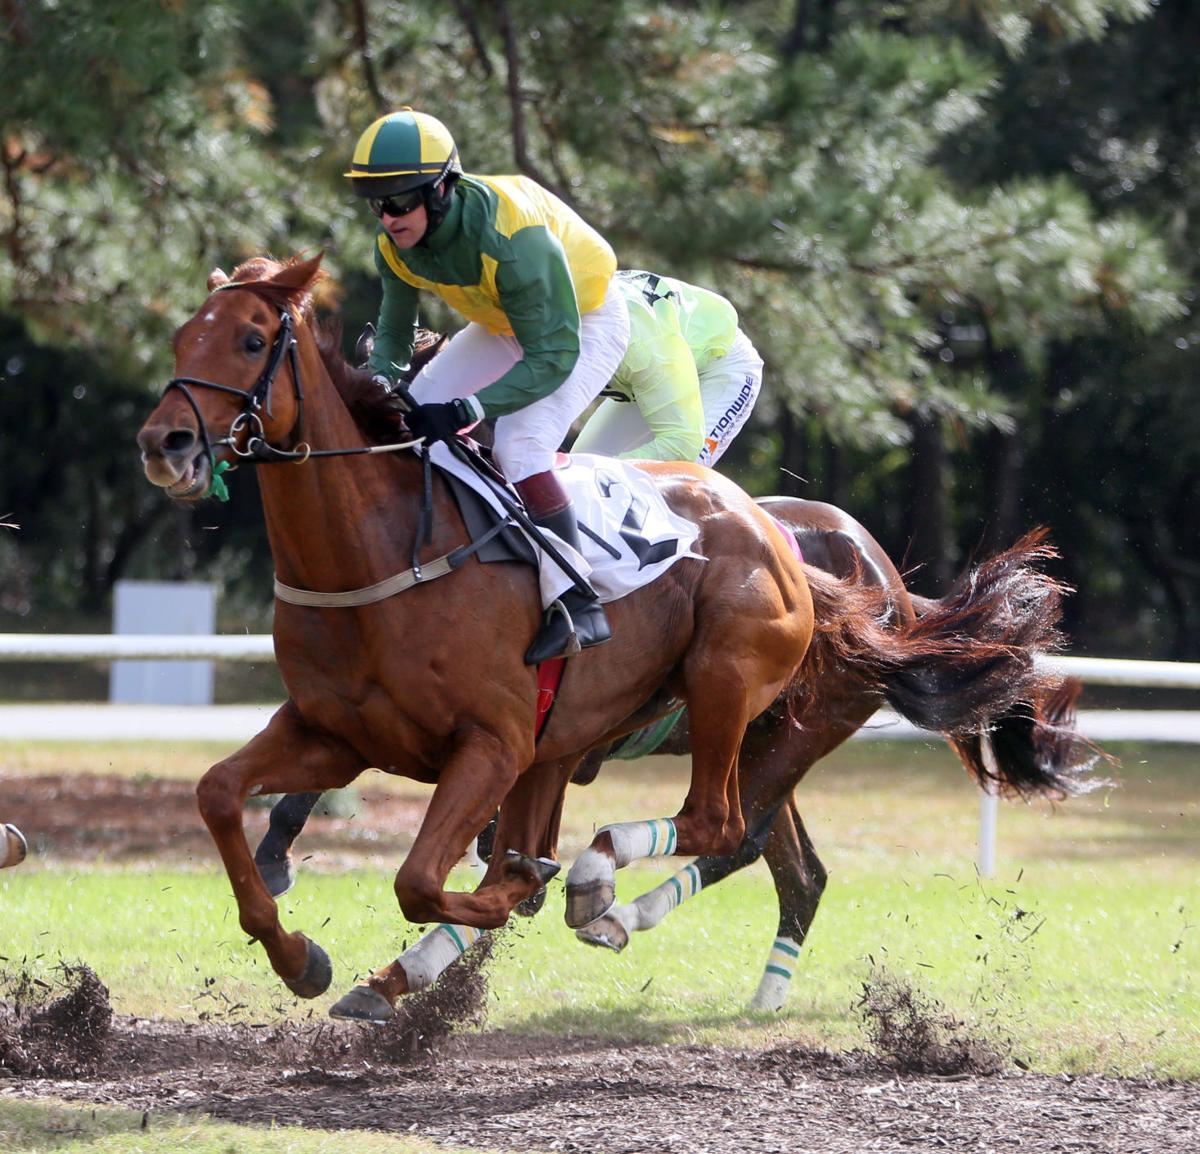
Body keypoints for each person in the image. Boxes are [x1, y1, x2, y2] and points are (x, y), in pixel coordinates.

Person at [346, 108, 629, 664]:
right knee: (414, 415)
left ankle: (577, 596)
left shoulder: (513, 237)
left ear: (442, 189)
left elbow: (551, 355)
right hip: (505, 321)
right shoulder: (394, 247)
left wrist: (469, 408)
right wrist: (374, 382)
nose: (388, 218)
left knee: (520, 444)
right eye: (378, 203)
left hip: (583, 322)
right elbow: (396, 337)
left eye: (401, 201)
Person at [572, 270, 763, 468]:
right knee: (578, 468)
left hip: (717, 366)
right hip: (655, 361)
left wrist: (605, 472)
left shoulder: (641, 351)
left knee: (680, 473)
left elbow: (683, 446)